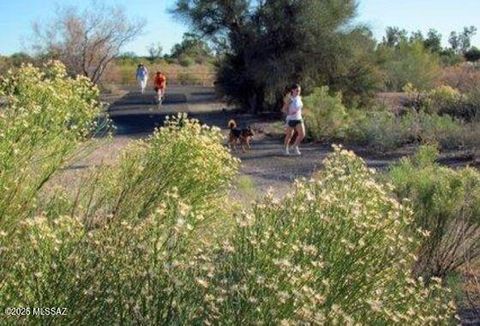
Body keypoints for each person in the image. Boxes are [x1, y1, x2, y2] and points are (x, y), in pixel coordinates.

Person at [282, 84, 305, 156]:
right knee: (289, 135)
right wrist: (290, 113)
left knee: (302, 134)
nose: (299, 92)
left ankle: (295, 146)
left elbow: (299, 107)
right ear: (292, 90)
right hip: (291, 119)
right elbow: (283, 109)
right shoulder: (290, 99)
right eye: (297, 90)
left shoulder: (299, 98)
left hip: (299, 118)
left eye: (299, 91)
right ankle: (285, 149)